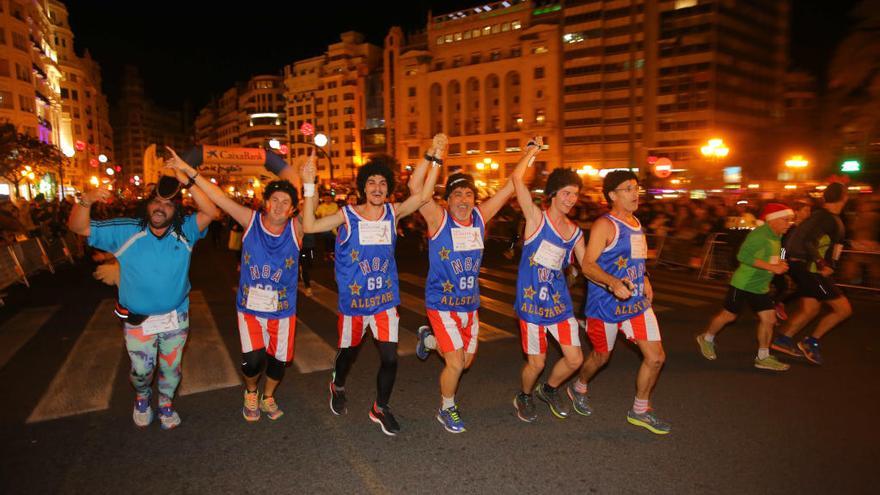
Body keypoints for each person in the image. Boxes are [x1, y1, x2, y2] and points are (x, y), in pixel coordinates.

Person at [301, 136, 443, 436]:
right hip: (354, 304)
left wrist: (433, 156)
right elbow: (310, 226)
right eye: (372, 182)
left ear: (387, 188)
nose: (377, 187)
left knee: (390, 357)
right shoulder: (347, 215)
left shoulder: (394, 212)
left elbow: (425, 193)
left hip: (385, 301)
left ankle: (380, 407)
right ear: (363, 187)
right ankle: (337, 384)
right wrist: (309, 185)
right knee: (348, 355)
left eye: (382, 183)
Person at [67, 164, 218, 430]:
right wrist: (86, 199)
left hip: (176, 316)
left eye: (169, 205)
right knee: (141, 371)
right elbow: (79, 227)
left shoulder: (186, 231)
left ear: (177, 210)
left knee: (172, 369)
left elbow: (211, 211)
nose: (161, 208)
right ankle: (142, 395)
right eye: (156, 202)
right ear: (147, 204)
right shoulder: (126, 229)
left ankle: (166, 403)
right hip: (138, 319)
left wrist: (188, 179)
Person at [164, 148, 303, 422]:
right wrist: (189, 171)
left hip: (283, 311)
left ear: (292, 209)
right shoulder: (250, 221)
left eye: (284, 202)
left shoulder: (296, 229)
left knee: (277, 363)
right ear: (265, 203)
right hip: (250, 308)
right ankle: (251, 391)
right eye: (273, 199)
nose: (278, 206)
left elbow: (310, 204)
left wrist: (308, 182)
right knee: (252, 361)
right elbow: (219, 197)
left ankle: (269, 396)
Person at [413, 138, 539, 433]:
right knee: (455, 364)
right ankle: (447, 408)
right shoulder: (438, 219)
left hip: (469, 306)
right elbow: (416, 190)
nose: (463, 199)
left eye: (468, 194)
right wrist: (434, 154)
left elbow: (512, 185)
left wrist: (529, 153)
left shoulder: (480, 219)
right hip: (441, 305)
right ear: (448, 200)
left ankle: (429, 341)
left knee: (465, 362)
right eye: (457, 194)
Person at [573, 170, 670, 435]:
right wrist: (613, 283)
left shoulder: (636, 222)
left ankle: (640, 410)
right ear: (612, 195)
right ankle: (579, 385)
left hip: (636, 302)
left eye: (635, 187)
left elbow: (638, 259)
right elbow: (587, 265)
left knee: (656, 357)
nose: (634, 193)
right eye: (627, 188)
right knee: (601, 357)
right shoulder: (605, 225)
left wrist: (646, 277)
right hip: (605, 304)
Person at [510, 162, 585, 423]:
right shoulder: (535, 218)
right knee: (537, 364)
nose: (571, 199)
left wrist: (612, 281)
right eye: (566, 193)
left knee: (575, 359)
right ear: (552, 193)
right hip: (531, 306)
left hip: (559, 304)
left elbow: (588, 266)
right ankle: (525, 394)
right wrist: (531, 153)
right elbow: (517, 179)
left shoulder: (575, 232)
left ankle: (549, 389)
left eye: (575, 194)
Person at [696, 203, 795, 371]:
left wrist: (782, 261)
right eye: (785, 220)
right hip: (743, 284)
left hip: (760, 286)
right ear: (773, 220)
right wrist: (772, 267)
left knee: (769, 319)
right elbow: (742, 256)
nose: (789, 224)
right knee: (728, 316)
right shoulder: (759, 235)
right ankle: (706, 338)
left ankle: (763, 357)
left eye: (790, 220)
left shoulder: (778, 235)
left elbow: (781, 251)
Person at [772, 182, 852, 365]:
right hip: (811, 270)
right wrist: (822, 264)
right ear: (844, 197)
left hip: (804, 268)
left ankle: (783, 339)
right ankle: (811, 341)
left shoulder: (824, 217)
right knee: (843, 309)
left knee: (811, 308)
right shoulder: (826, 218)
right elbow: (807, 242)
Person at [316, 193, 340, 260]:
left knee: (333, 238)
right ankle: (327, 253)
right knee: (327, 236)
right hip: (325, 226)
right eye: (326, 198)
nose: (327, 200)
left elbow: (337, 214)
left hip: (334, 226)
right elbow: (317, 216)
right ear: (323, 199)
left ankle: (331, 253)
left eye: (329, 198)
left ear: (331, 198)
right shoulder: (320, 207)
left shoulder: (335, 205)